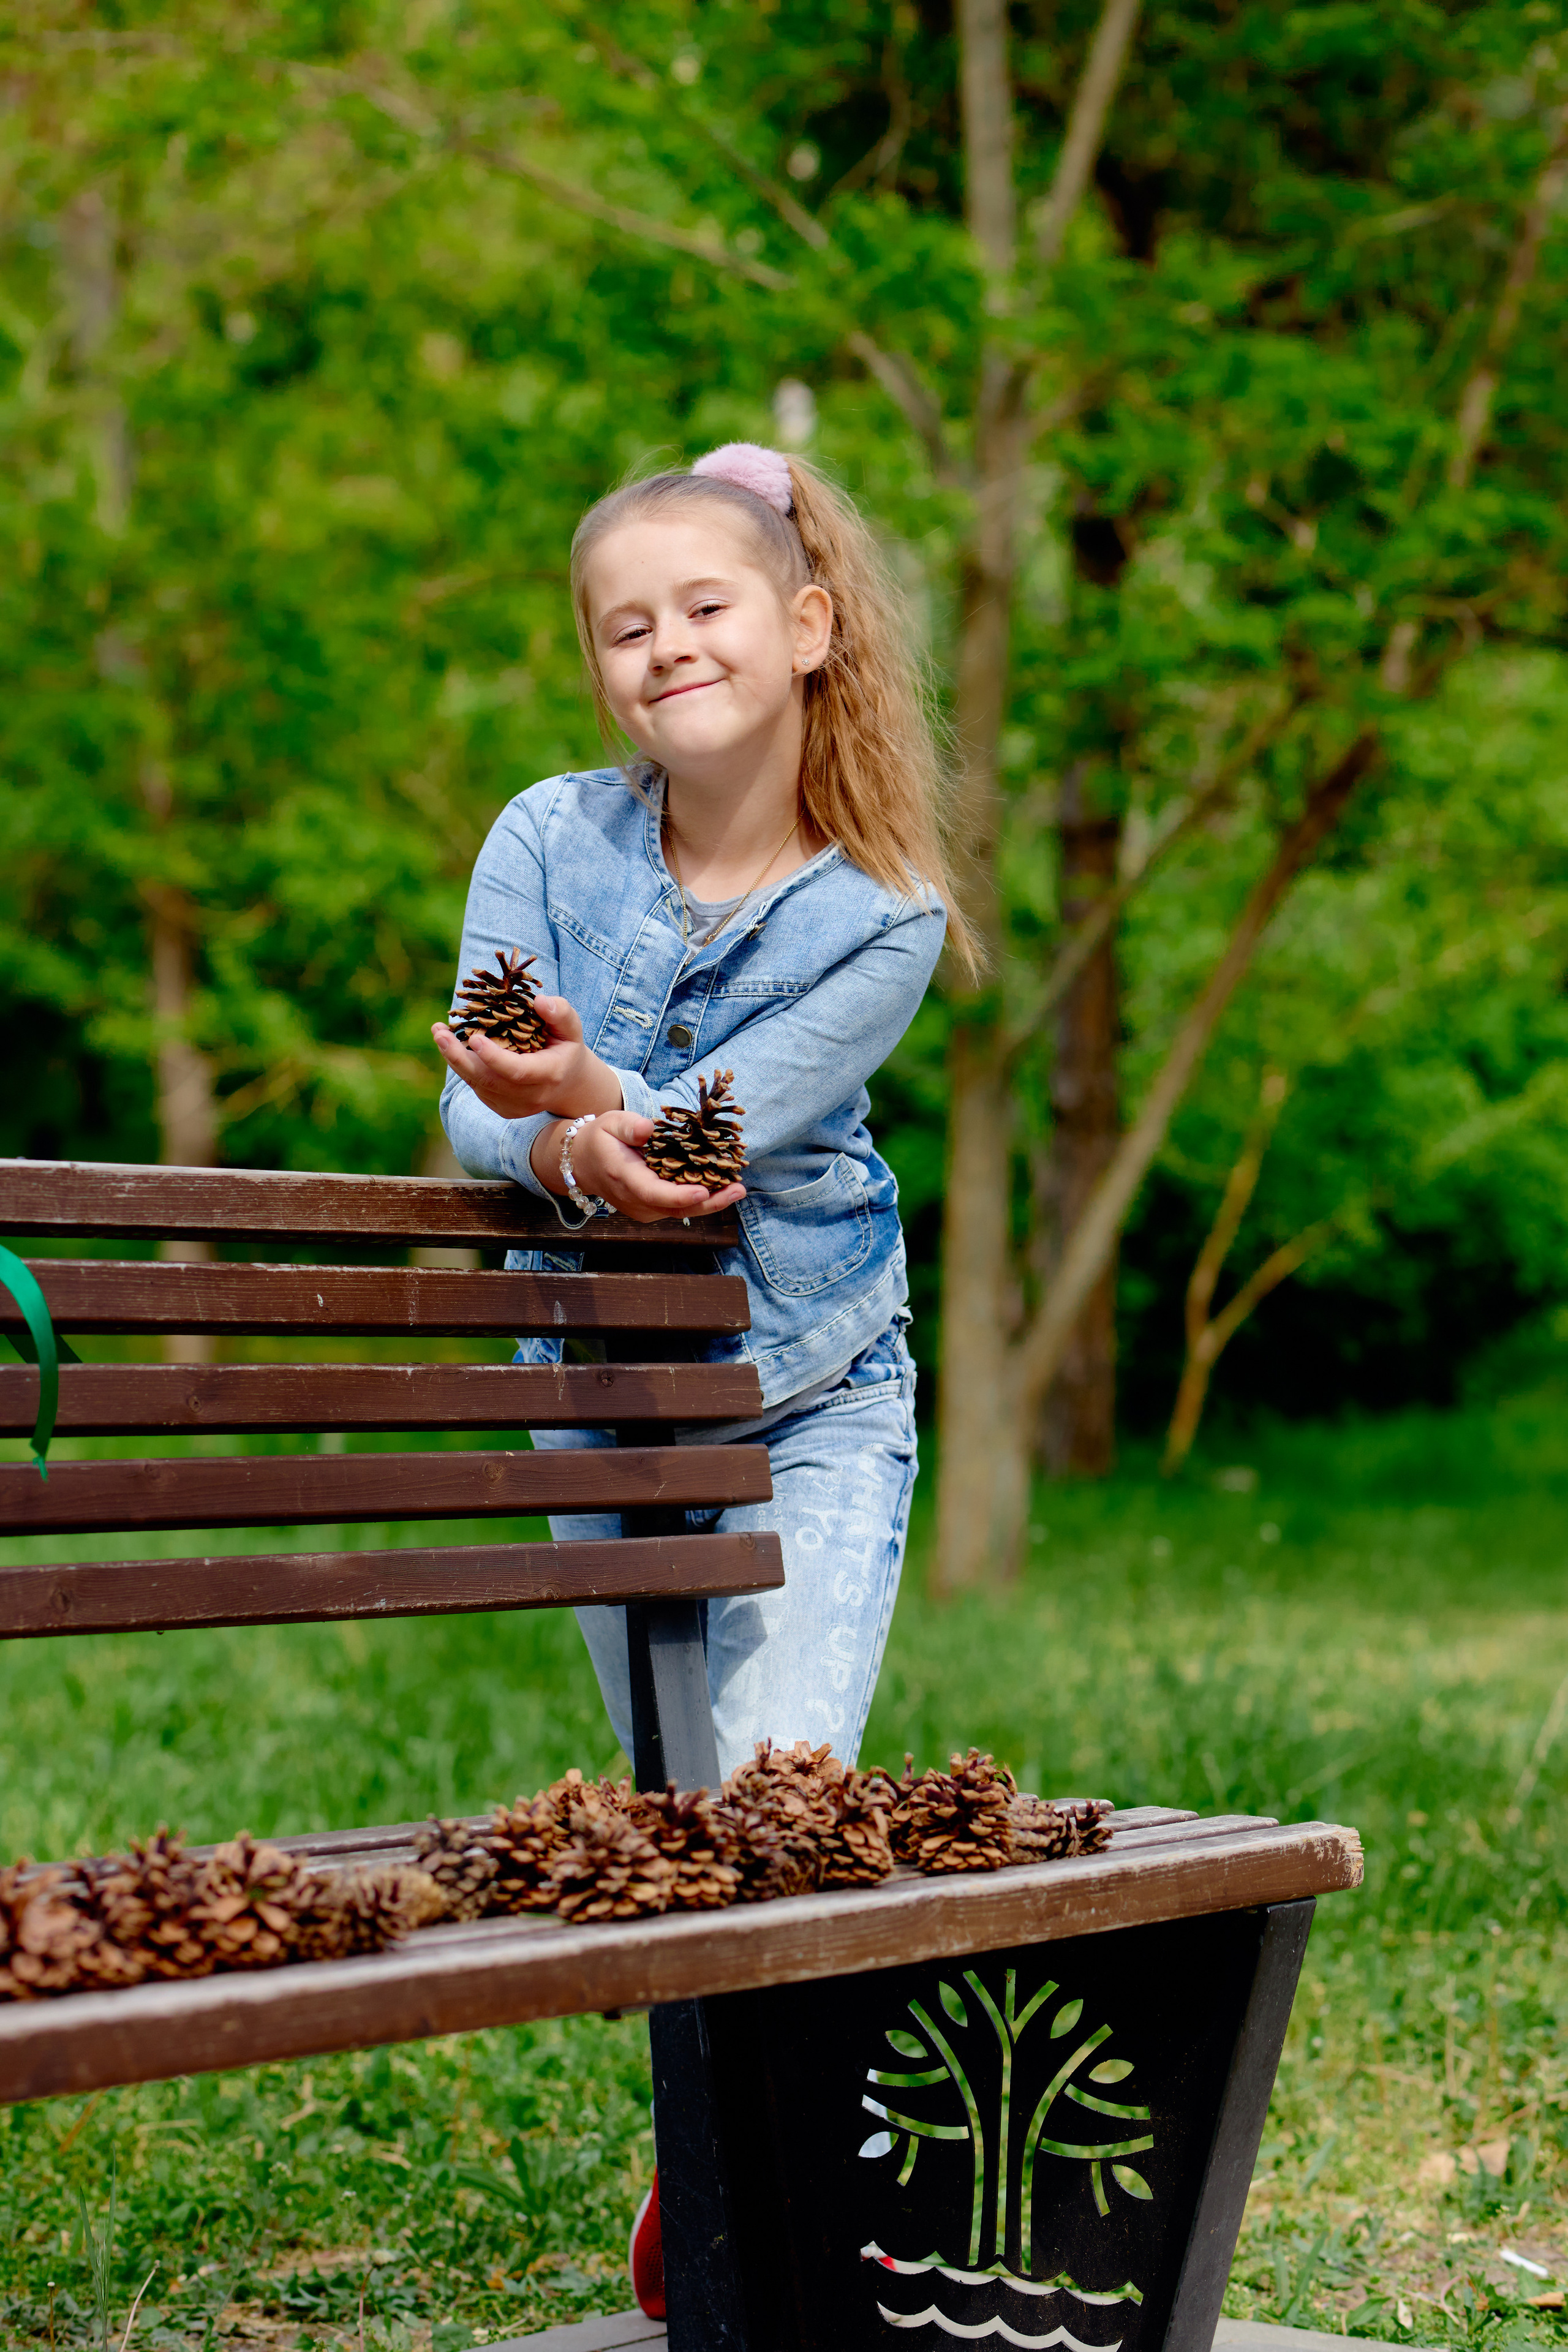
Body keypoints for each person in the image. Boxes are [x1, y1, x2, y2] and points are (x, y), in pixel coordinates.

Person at [431, 442, 975, 2310]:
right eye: (621, 627)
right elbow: (469, 1095)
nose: (663, 647)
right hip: (604, 1399)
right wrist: (558, 1130)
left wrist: (584, 1111)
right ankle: (753, 2173)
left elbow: (709, 1136)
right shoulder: (543, 840)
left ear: (811, 628)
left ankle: (803, 2185)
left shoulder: (882, 914)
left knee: (782, 1800)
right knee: (684, 1822)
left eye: (706, 607)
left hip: (813, 1399)